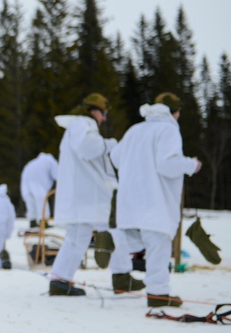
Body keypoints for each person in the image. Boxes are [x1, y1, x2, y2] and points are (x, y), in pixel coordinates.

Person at [110, 93, 201, 307]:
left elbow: (115, 157)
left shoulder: (135, 129)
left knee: (133, 237)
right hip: (154, 200)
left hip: (130, 198)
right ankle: (158, 294)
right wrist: (191, 165)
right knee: (158, 245)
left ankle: (114, 242)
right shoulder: (168, 129)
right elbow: (167, 165)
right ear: (174, 111)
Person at [48, 92, 141, 296]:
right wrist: (111, 144)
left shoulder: (77, 127)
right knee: (113, 230)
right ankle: (121, 278)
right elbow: (89, 148)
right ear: (93, 111)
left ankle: (60, 279)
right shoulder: (83, 125)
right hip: (90, 195)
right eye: (103, 113)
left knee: (82, 236)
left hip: (84, 195)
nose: (104, 119)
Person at [20, 153, 58, 228]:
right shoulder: (50, 161)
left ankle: (32, 221)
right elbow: (58, 175)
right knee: (41, 200)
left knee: (30, 201)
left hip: (25, 182)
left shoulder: (33, 162)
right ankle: (44, 222)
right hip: (37, 182)